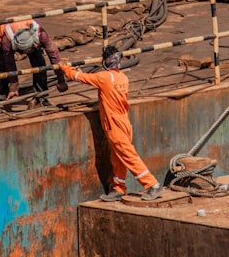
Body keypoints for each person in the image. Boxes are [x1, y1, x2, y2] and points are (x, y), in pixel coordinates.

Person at [59, 46, 163, 202]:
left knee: (127, 155)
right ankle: (119, 188)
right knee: (118, 158)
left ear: (106, 60)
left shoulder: (103, 78)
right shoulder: (123, 78)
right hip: (124, 122)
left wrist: (65, 68)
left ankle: (151, 184)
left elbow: (80, 77)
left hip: (114, 125)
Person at [0, 19, 67, 106]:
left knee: (40, 65)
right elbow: (10, 64)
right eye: (22, 50)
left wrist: (61, 80)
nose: (24, 53)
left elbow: (55, 57)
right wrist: (14, 87)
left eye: (27, 50)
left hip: (33, 44)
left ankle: (41, 97)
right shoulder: (7, 41)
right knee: (4, 67)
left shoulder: (41, 35)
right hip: (5, 37)